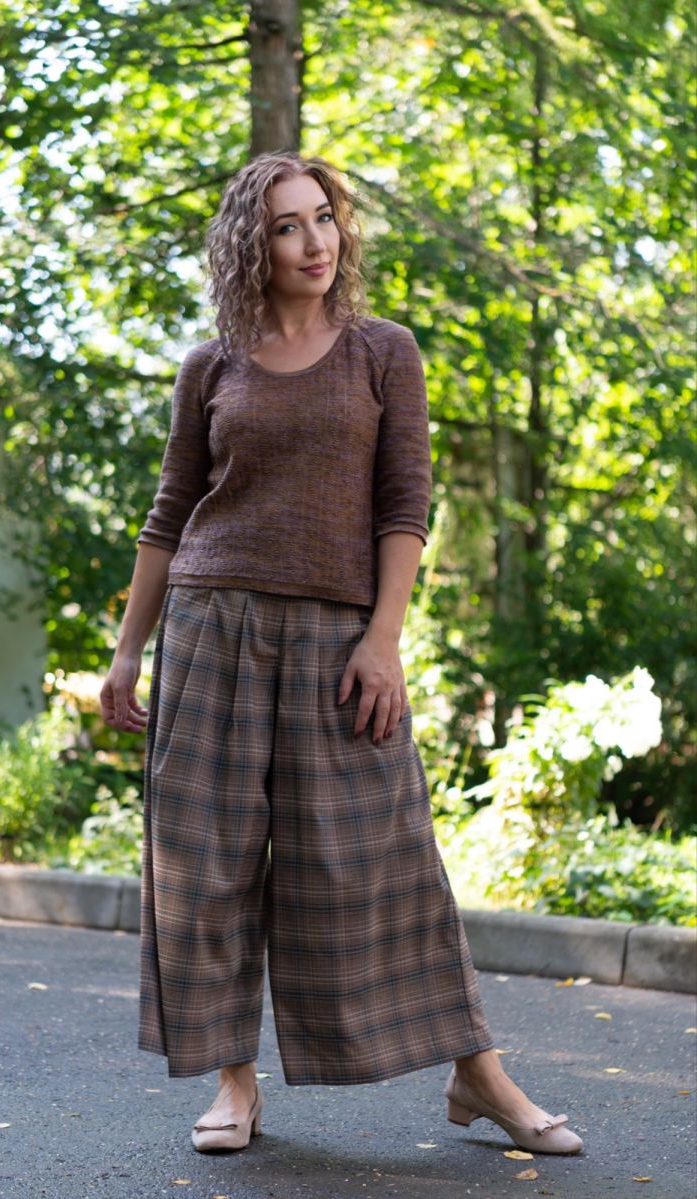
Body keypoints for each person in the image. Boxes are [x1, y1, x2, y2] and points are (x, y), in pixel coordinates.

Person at [99, 151, 583, 1157]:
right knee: (208, 862)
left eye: (322, 217)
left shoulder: (381, 352)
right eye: (287, 225)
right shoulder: (212, 366)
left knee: (386, 856)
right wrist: (127, 653)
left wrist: (382, 639)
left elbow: (405, 502)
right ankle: (233, 1082)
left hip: (337, 638)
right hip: (211, 626)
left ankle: (476, 1071)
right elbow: (169, 513)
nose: (313, 240)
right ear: (253, 244)